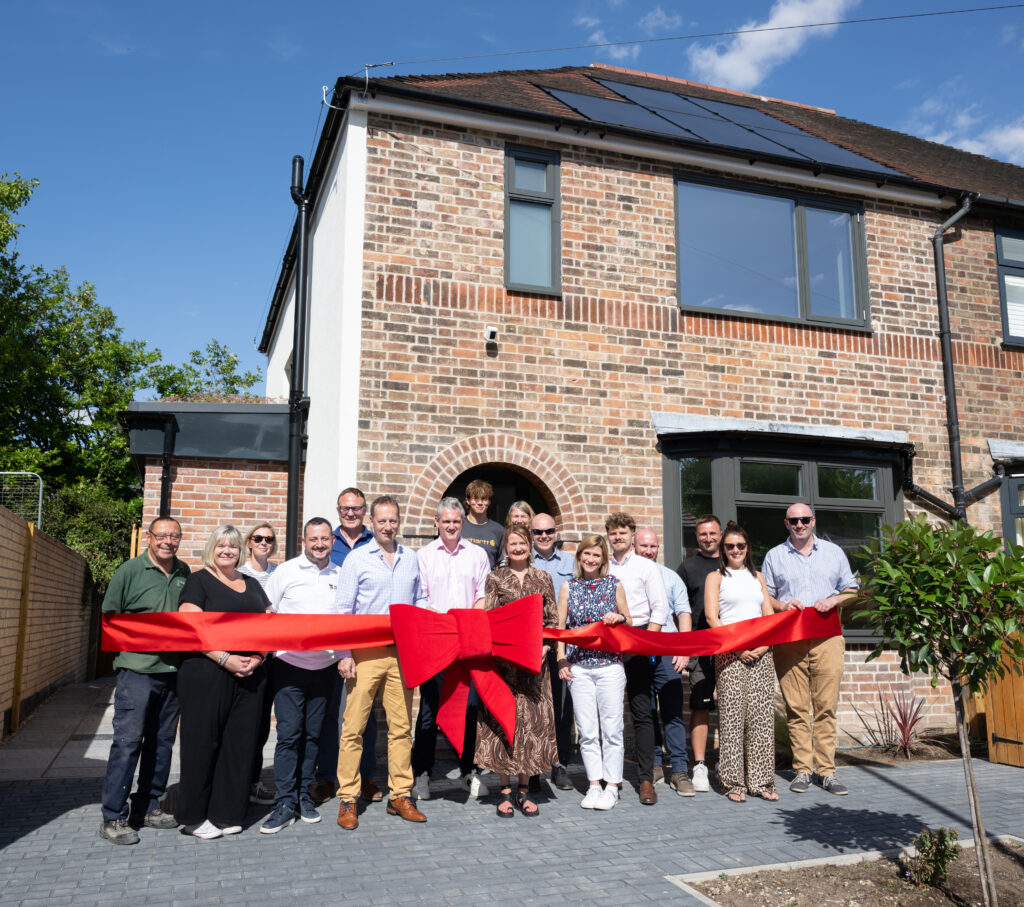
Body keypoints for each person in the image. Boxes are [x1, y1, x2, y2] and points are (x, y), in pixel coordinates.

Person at [335, 495, 428, 829]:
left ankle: (400, 795)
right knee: (354, 728)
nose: (388, 527)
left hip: (401, 654)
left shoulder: (411, 558)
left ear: (399, 521)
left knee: (401, 728)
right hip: (364, 653)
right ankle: (348, 797)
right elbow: (343, 610)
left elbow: (420, 599)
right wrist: (344, 655)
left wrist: (427, 616)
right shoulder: (358, 559)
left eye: (393, 520)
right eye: (382, 521)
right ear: (371, 523)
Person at [99, 517, 190, 845]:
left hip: (171, 672)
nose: (168, 541)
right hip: (137, 672)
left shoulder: (184, 573)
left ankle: (148, 806)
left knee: (162, 741)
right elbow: (110, 618)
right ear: (149, 537)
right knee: (127, 743)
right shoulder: (129, 571)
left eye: (174, 536)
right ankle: (113, 816)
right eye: (162, 535)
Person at [175, 525, 270, 838]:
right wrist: (224, 658)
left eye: (232, 546)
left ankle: (226, 813)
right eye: (221, 546)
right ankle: (192, 818)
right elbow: (190, 629)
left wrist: (258, 657)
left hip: (250, 675)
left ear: (240, 550)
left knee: (238, 745)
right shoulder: (198, 581)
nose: (227, 551)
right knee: (202, 743)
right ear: (211, 549)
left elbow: (271, 625)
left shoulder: (254, 585)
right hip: (207, 673)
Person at [763, 503, 857, 796]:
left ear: (813, 521)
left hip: (827, 638)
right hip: (789, 640)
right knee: (796, 707)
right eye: (794, 521)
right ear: (786, 523)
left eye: (804, 519)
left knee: (826, 707)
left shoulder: (833, 552)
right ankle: (803, 770)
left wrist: (834, 600)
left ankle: (827, 772)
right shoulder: (774, 556)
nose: (800, 525)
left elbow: (852, 590)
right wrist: (782, 605)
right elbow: (764, 596)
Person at [260, 518, 344, 834]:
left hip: (325, 669)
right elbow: (268, 614)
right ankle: (284, 802)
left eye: (324, 539)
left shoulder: (340, 574)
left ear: (332, 542)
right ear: (304, 541)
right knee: (290, 735)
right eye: (313, 539)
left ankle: (303, 795)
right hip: (288, 667)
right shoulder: (286, 572)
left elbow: (347, 619)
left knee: (313, 735)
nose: (319, 544)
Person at [475, 526, 558, 817]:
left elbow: (552, 620)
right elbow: (490, 620)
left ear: (530, 545)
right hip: (505, 667)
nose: (518, 548)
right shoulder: (495, 578)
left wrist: (546, 648)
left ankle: (525, 791)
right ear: (505, 548)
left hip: (536, 667)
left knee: (530, 727)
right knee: (504, 723)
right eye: (513, 543)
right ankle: (505, 792)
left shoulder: (543, 578)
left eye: (522, 542)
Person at [412, 497, 491, 800]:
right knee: (430, 712)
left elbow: (482, 595)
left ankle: (468, 770)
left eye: (456, 522)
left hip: (467, 643)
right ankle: (422, 773)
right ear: (437, 522)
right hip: (436, 643)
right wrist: (444, 625)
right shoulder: (424, 556)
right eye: (446, 522)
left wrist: (467, 624)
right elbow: (421, 598)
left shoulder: (477, 554)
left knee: (470, 709)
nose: (451, 526)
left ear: (462, 522)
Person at [312, 488, 379, 805]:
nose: (350, 513)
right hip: (330, 643)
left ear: (365, 511)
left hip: (366, 644)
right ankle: (326, 777)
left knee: (366, 715)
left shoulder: (375, 541)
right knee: (330, 713)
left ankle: (366, 776)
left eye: (356, 509)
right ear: (338, 511)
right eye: (345, 509)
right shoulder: (328, 542)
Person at [556, 534, 631, 811]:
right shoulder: (568, 586)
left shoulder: (614, 585)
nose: (590, 559)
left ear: (603, 560)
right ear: (579, 557)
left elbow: (630, 621)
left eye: (596, 555)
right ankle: (593, 784)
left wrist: (618, 618)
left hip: (609, 665)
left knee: (612, 729)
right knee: (587, 731)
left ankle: (612, 786)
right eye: (586, 554)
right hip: (580, 668)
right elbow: (561, 628)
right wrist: (562, 659)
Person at [705, 522, 777, 803]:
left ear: (748, 549)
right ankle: (733, 782)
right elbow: (713, 618)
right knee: (733, 719)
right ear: (723, 550)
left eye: (741, 546)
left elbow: (769, 617)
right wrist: (736, 649)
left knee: (761, 719)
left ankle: (762, 781)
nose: (736, 550)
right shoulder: (717, 577)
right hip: (729, 654)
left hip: (762, 653)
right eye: (730, 546)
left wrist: (762, 646)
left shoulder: (757, 576)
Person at [605, 512, 670, 805]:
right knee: (608, 712)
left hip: (640, 638)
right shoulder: (602, 566)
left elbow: (660, 609)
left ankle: (646, 780)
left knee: (642, 712)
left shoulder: (646, 566)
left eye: (622, 532)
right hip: (608, 641)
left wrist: (647, 642)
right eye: (613, 533)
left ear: (632, 535)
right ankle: (608, 778)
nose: (617, 537)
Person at [634, 528, 694, 797]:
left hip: (668, 650)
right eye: (644, 546)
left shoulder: (670, 577)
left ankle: (680, 770)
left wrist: (684, 649)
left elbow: (683, 613)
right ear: (635, 546)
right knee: (644, 712)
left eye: (653, 546)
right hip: (636, 651)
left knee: (672, 711)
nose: (648, 551)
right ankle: (655, 764)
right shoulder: (625, 575)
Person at [677, 514, 723, 793]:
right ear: (697, 537)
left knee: (733, 706)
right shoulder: (688, 566)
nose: (708, 538)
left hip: (730, 646)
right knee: (700, 704)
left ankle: (729, 761)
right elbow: (678, 607)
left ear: (720, 534)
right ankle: (700, 765)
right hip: (700, 648)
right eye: (703, 535)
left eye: (712, 533)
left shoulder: (731, 563)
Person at [531, 512, 576, 791]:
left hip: (562, 643)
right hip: (533, 642)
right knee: (535, 706)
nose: (544, 536)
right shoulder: (524, 561)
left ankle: (559, 765)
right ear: (531, 535)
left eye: (548, 531)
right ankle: (533, 767)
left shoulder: (571, 562)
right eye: (538, 532)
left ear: (556, 532)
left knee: (562, 707)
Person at [239, 522, 279, 807]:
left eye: (269, 539)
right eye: (258, 538)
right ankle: (237, 783)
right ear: (249, 542)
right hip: (245, 660)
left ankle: (253, 781)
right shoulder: (238, 573)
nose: (264, 542)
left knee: (262, 726)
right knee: (244, 726)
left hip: (274, 660)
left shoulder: (281, 572)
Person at [460, 479, 504, 568]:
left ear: (489, 502)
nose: (480, 503)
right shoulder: (458, 526)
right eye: (475, 499)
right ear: (468, 501)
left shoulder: (499, 531)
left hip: (487, 581)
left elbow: (503, 564)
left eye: (484, 499)